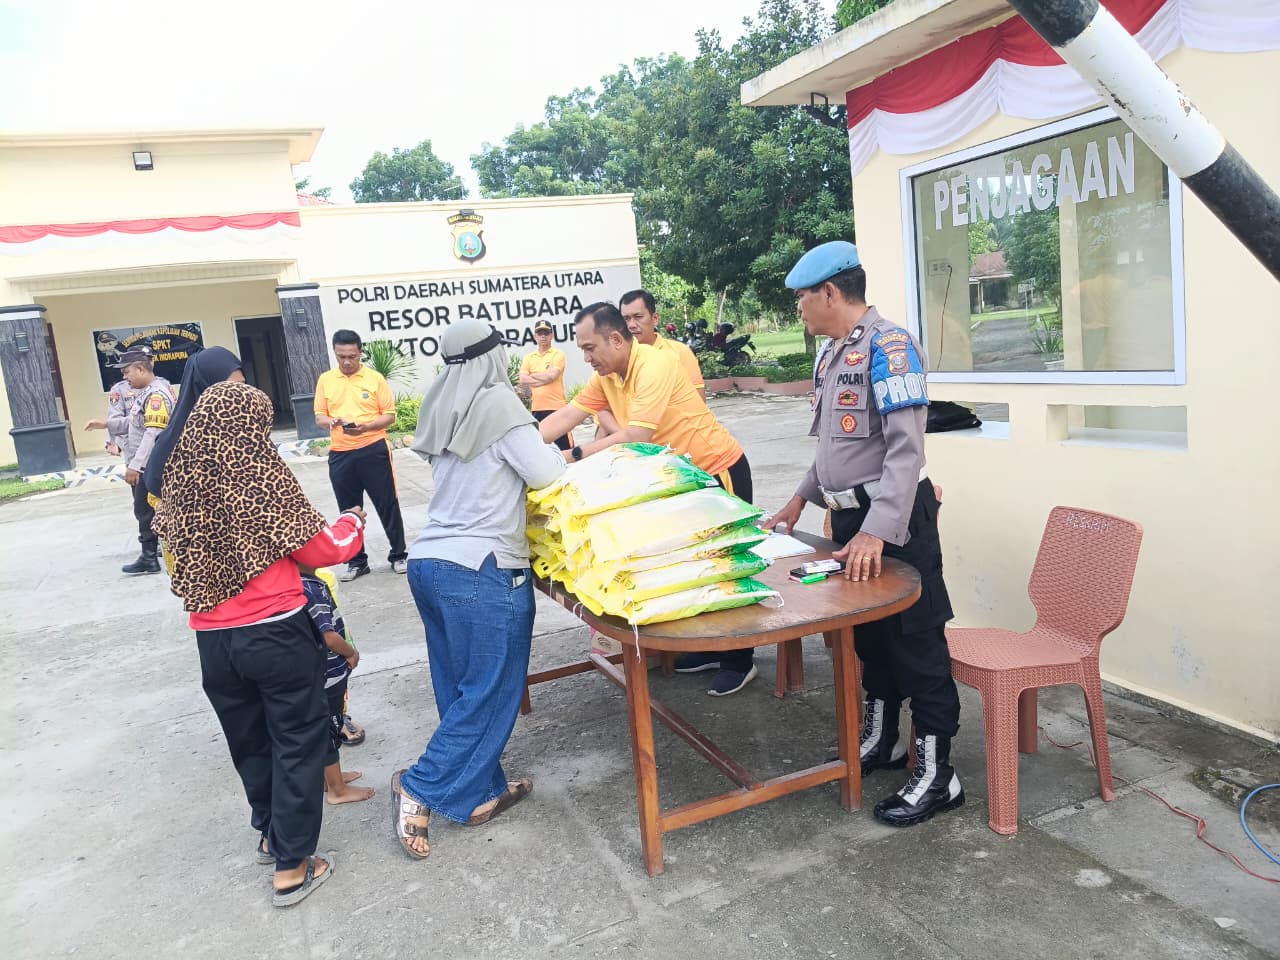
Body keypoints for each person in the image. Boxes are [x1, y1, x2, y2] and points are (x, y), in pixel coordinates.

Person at [763, 240, 964, 828]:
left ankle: (938, 776)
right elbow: (833, 450)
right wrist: (798, 499)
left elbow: (906, 451)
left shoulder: (890, 347)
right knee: (872, 642)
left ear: (830, 292)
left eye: (802, 296)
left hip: (894, 524)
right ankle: (884, 743)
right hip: (853, 522)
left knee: (917, 647)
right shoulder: (832, 355)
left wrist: (877, 531)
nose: (798, 307)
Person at [151, 380, 368, 907]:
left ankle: (272, 835)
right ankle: (293, 865)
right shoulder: (260, 475)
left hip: (212, 640)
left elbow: (174, 562)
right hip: (275, 632)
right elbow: (322, 551)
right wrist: (351, 521)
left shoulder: (180, 483)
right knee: (297, 739)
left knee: (250, 742)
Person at [392, 316, 566, 860]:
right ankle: (420, 785)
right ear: (494, 357)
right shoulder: (500, 405)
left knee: (460, 687)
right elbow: (546, 474)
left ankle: (478, 794)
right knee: (491, 691)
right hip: (482, 568)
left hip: (430, 563)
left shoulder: (443, 404)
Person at [536, 302, 759, 696]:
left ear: (615, 339)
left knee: (724, 563)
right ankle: (712, 647)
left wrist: (571, 455)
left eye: (589, 348)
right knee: (692, 565)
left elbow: (637, 436)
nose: (586, 358)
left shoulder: (653, 364)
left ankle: (740, 659)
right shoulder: (606, 376)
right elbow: (567, 415)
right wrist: (521, 448)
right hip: (676, 479)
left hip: (715, 470)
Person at [314, 330, 409, 581]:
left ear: (360, 353)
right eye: (341, 356)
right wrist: (330, 422)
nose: (347, 361)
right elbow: (319, 416)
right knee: (348, 509)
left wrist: (366, 427)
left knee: (387, 503)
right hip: (340, 452)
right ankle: (357, 562)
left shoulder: (375, 378)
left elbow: (389, 415)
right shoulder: (326, 380)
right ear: (335, 353)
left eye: (352, 356)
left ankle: (398, 555)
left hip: (373, 448)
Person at [84, 344, 175, 576]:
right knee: (144, 509)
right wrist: (106, 424)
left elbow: (152, 433)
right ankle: (150, 555)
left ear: (141, 369)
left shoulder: (156, 395)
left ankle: (151, 557)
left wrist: (136, 466)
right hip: (146, 464)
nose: (125, 377)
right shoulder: (146, 393)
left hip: (150, 465)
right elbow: (133, 423)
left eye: (127, 372)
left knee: (146, 509)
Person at [298, 564, 375, 804]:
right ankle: (337, 790)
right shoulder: (310, 588)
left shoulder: (303, 582)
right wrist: (350, 652)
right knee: (330, 730)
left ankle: (329, 779)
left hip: (316, 673)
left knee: (325, 726)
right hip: (328, 674)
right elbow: (329, 636)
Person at [142, 345, 244, 502]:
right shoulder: (176, 445)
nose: (241, 394)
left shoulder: (249, 431)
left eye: (243, 385)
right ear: (204, 387)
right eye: (228, 387)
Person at [619, 289, 705, 395]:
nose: (631, 325)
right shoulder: (615, 359)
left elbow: (697, 399)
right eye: (626, 319)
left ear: (655, 318)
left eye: (638, 317)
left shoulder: (680, 352)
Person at [518, 319, 572, 451]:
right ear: (535, 336)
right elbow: (523, 379)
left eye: (546, 333)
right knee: (542, 448)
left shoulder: (558, 354)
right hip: (537, 409)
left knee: (564, 448)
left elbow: (552, 375)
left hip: (557, 408)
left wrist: (533, 375)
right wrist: (544, 377)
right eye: (540, 333)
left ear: (551, 335)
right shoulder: (529, 357)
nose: (543, 336)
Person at [83, 377, 134, 456]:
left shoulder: (154, 387)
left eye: (127, 372)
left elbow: (142, 418)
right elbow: (115, 417)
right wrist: (112, 441)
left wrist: (106, 424)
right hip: (132, 449)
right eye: (124, 372)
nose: (124, 376)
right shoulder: (119, 389)